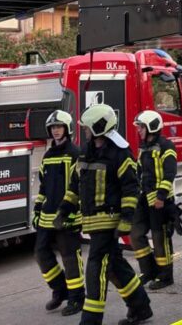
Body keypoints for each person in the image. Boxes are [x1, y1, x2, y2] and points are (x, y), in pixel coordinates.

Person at [57, 104, 151, 325]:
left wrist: (126, 220)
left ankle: (90, 320)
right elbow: (74, 186)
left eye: (88, 128)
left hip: (109, 224)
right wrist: (64, 210)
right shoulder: (86, 152)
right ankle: (141, 307)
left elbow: (130, 189)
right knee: (115, 267)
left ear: (99, 127)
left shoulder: (120, 154)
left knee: (96, 269)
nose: (85, 132)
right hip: (92, 223)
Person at [33, 109, 84, 315]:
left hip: (68, 215)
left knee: (70, 257)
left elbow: (78, 186)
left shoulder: (75, 153)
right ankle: (60, 290)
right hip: (48, 215)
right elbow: (44, 187)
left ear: (67, 128)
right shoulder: (48, 156)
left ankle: (77, 298)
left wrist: (69, 210)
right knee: (40, 253)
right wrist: (37, 209)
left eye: (59, 127)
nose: (55, 131)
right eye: (53, 127)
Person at [129, 110, 178, 290]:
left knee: (160, 239)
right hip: (144, 199)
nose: (139, 130)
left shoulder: (166, 146)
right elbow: (139, 172)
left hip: (160, 201)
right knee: (135, 234)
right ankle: (148, 270)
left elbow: (170, 173)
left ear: (151, 127)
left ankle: (165, 276)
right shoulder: (144, 148)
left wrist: (161, 197)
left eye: (141, 127)